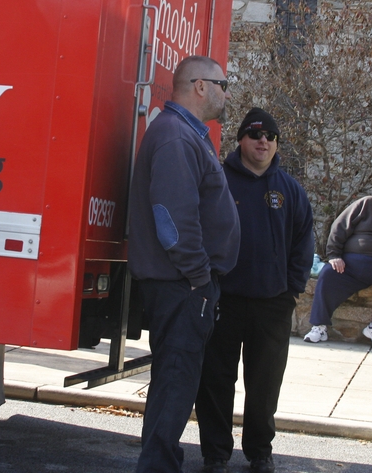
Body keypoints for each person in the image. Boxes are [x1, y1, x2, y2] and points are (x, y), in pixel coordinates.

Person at [127, 55, 241, 473]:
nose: (226, 92)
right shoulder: (176, 136)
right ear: (199, 86)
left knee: (177, 381)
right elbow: (172, 220)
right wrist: (197, 277)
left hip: (184, 284)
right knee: (175, 382)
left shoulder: (188, 134)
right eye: (222, 84)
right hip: (181, 285)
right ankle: (157, 467)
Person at [195, 108, 314, 473]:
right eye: (256, 134)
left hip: (272, 305)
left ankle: (260, 452)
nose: (263, 141)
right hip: (223, 299)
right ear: (241, 140)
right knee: (215, 381)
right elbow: (197, 229)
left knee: (264, 386)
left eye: (270, 137)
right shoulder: (218, 181)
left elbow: (302, 244)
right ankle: (215, 454)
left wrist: (290, 290)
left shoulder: (290, 190)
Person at [303, 173, 372, 348]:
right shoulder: (366, 204)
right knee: (328, 274)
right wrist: (334, 255)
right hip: (352, 267)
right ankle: (319, 326)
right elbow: (339, 228)